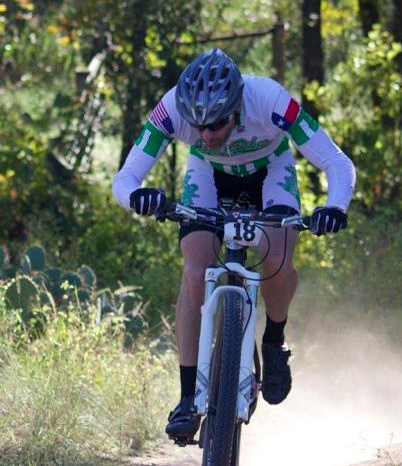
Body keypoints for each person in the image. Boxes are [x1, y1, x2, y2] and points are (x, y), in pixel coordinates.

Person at [111, 48, 355, 441]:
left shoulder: (269, 99)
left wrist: (335, 206)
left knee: (277, 260)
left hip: (270, 171)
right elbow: (125, 179)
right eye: (198, 126)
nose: (207, 135)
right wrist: (139, 196)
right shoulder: (171, 108)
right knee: (195, 273)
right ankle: (187, 397)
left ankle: (274, 341)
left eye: (217, 123)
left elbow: (337, 162)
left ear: (238, 105)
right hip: (207, 174)